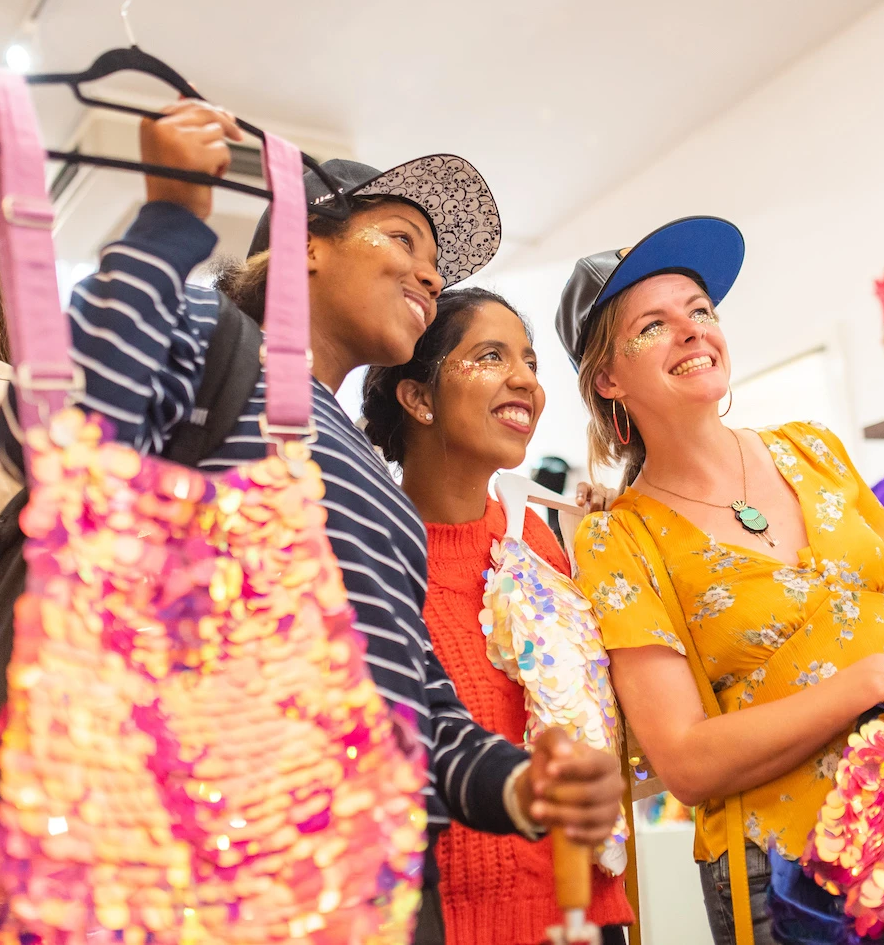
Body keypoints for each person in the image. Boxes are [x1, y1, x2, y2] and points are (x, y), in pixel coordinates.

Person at [56, 100, 624, 943]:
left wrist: (516, 784)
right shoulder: (212, 346)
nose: (431, 278)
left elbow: (411, 696)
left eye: (436, 266)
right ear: (305, 247)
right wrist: (172, 216)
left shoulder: (373, 482)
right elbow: (68, 421)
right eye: (402, 240)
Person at [553, 217, 884, 945]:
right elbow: (686, 762)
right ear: (607, 377)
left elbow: (866, 639)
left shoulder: (813, 452)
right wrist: (876, 680)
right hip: (792, 873)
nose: (693, 331)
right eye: (654, 325)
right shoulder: (621, 539)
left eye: (701, 311)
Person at [361, 288, 633, 945]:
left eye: (531, 362)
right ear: (419, 397)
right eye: (490, 356)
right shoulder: (373, 558)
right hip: (453, 924)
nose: (527, 382)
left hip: (586, 912)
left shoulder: (539, 538)